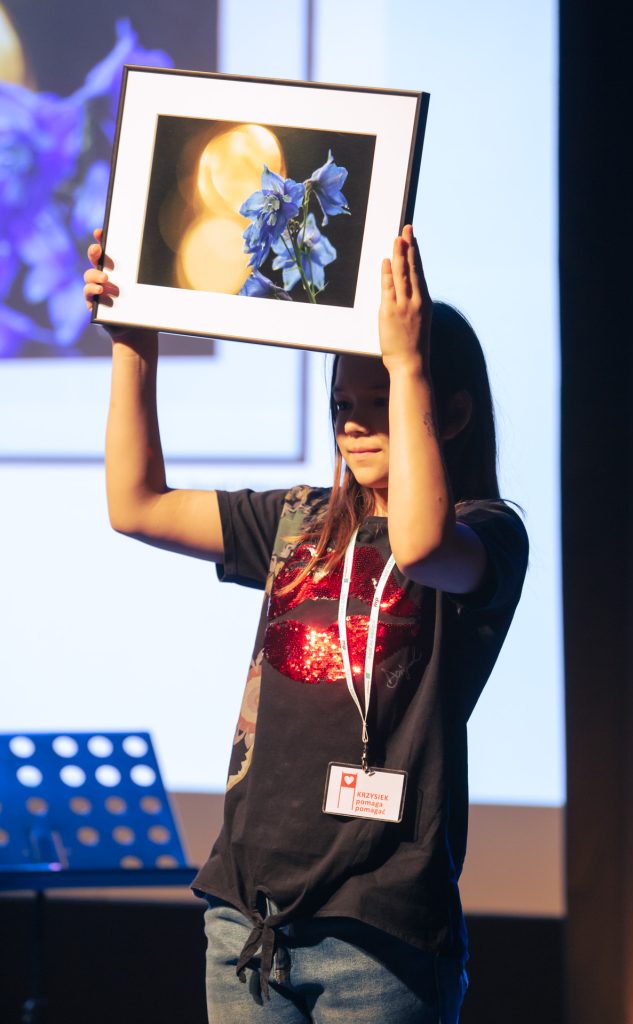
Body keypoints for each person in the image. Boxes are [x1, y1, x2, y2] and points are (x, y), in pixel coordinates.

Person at [83, 224, 528, 1023]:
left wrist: (407, 362)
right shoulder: (301, 520)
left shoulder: (484, 533)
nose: (353, 425)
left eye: (378, 403)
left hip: (377, 934)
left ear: (451, 410)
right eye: (340, 405)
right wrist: (134, 341)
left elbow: (420, 545)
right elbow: (137, 504)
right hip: (249, 918)